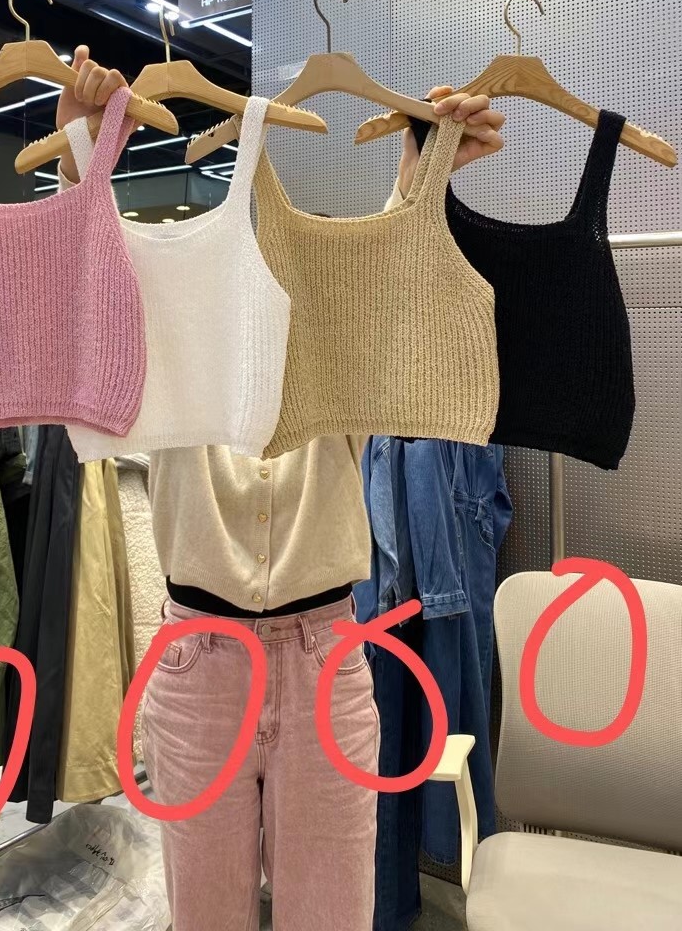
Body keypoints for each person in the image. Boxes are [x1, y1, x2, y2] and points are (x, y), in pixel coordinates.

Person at [55, 53, 504, 931]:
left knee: (332, 912)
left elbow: (392, 268)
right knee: (206, 914)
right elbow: (93, 276)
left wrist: (425, 170)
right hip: (199, 660)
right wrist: (82, 152)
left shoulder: (341, 338)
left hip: (325, 655)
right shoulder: (174, 328)